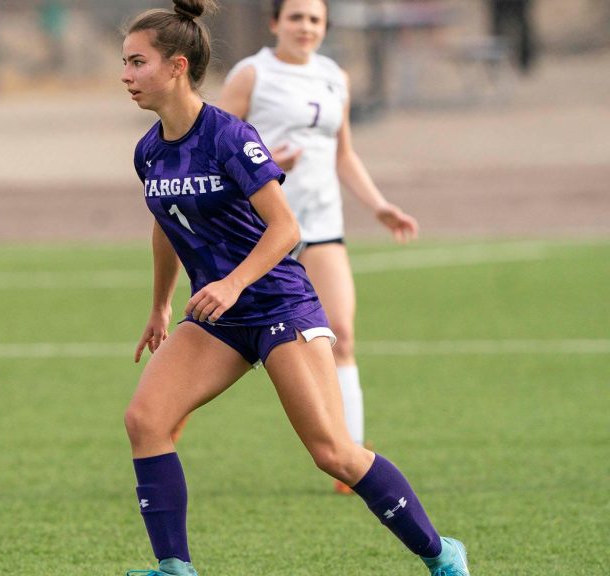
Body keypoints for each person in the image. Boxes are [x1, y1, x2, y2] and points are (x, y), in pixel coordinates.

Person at [119, 1, 468, 575]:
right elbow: (166, 223)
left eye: (138, 62)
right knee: (145, 420)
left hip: (278, 303)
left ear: (177, 66)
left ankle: (442, 554)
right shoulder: (149, 150)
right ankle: (175, 568)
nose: (126, 75)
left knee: (333, 453)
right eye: (126, 62)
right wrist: (160, 305)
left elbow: (286, 229)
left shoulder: (228, 136)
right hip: (219, 316)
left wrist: (232, 284)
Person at [214, 0, 420, 495]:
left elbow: (343, 153)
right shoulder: (252, 75)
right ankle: (174, 409)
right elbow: (213, 150)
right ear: (275, 23)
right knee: (228, 340)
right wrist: (266, 162)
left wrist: (379, 205)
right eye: (296, 17)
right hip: (261, 231)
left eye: (315, 19)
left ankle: (352, 457)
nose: (305, 27)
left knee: (341, 333)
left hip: (323, 226)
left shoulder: (334, 77)